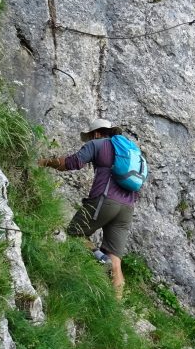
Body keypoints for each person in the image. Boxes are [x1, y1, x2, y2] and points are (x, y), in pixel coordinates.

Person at [38, 118, 137, 297]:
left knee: (74, 233)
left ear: (97, 133)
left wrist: (45, 162)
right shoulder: (129, 150)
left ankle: (100, 258)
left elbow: (71, 163)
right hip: (127, 208)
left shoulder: (98, 144)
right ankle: (116, 310)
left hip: (105, 200)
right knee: (116, 261)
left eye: (91, 137)